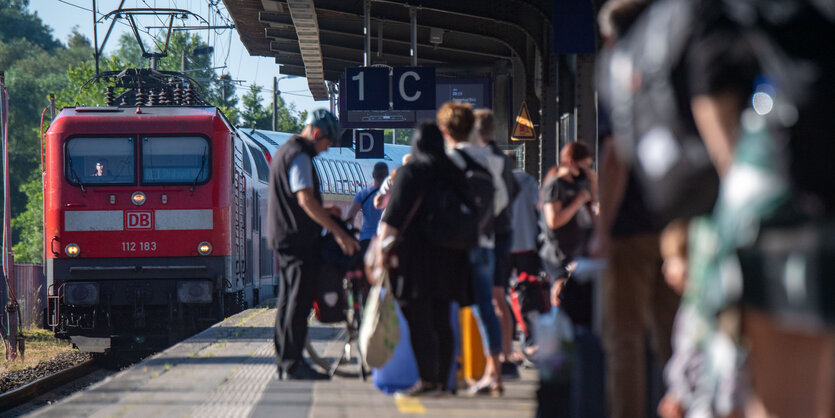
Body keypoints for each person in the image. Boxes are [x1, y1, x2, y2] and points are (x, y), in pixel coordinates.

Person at [374, 122, 472, 397]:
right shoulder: (454, 172)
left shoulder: (410, 172)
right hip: (451, 257)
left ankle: (428, 382)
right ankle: (444, 382)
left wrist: (380, 254)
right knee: (442, 318)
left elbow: (391, 220)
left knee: (419, 320)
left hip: (413, 259)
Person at [267, 109, 361, 381]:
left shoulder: (285, 151)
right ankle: (293, 364)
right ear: (317, 134)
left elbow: (300, 199)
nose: (326, 149)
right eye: (327, 143)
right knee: (298, 301)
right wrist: (339, 234)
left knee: (288, 300)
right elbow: (304, 199)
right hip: (298, 240)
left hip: (285, 237)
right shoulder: (300, 155)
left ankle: (286, 360)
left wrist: (324, 209)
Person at [437, 101, 508, 395]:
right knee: (484, 309)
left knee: (446, 306)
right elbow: (502, 199)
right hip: (485, 242)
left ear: (445, 130)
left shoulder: (448, 160)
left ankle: (449, 371)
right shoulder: (492, 159)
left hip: (453, 245)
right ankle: (494, 372)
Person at [473, 109, 520, 378]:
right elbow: (513, 192)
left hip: (490, 234)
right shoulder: (502, 159)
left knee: (492, 297)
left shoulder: (485, 158)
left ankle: (498, 358)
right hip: (503, 232)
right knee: (499, 297)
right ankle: (506, 354)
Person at [345, 162, 388, 255]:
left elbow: (350, 217)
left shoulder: (363, 194)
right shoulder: (391, 196)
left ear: (373, 175)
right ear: (387, 176)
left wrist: (352, 235)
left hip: (366, 239)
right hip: (384, 239)